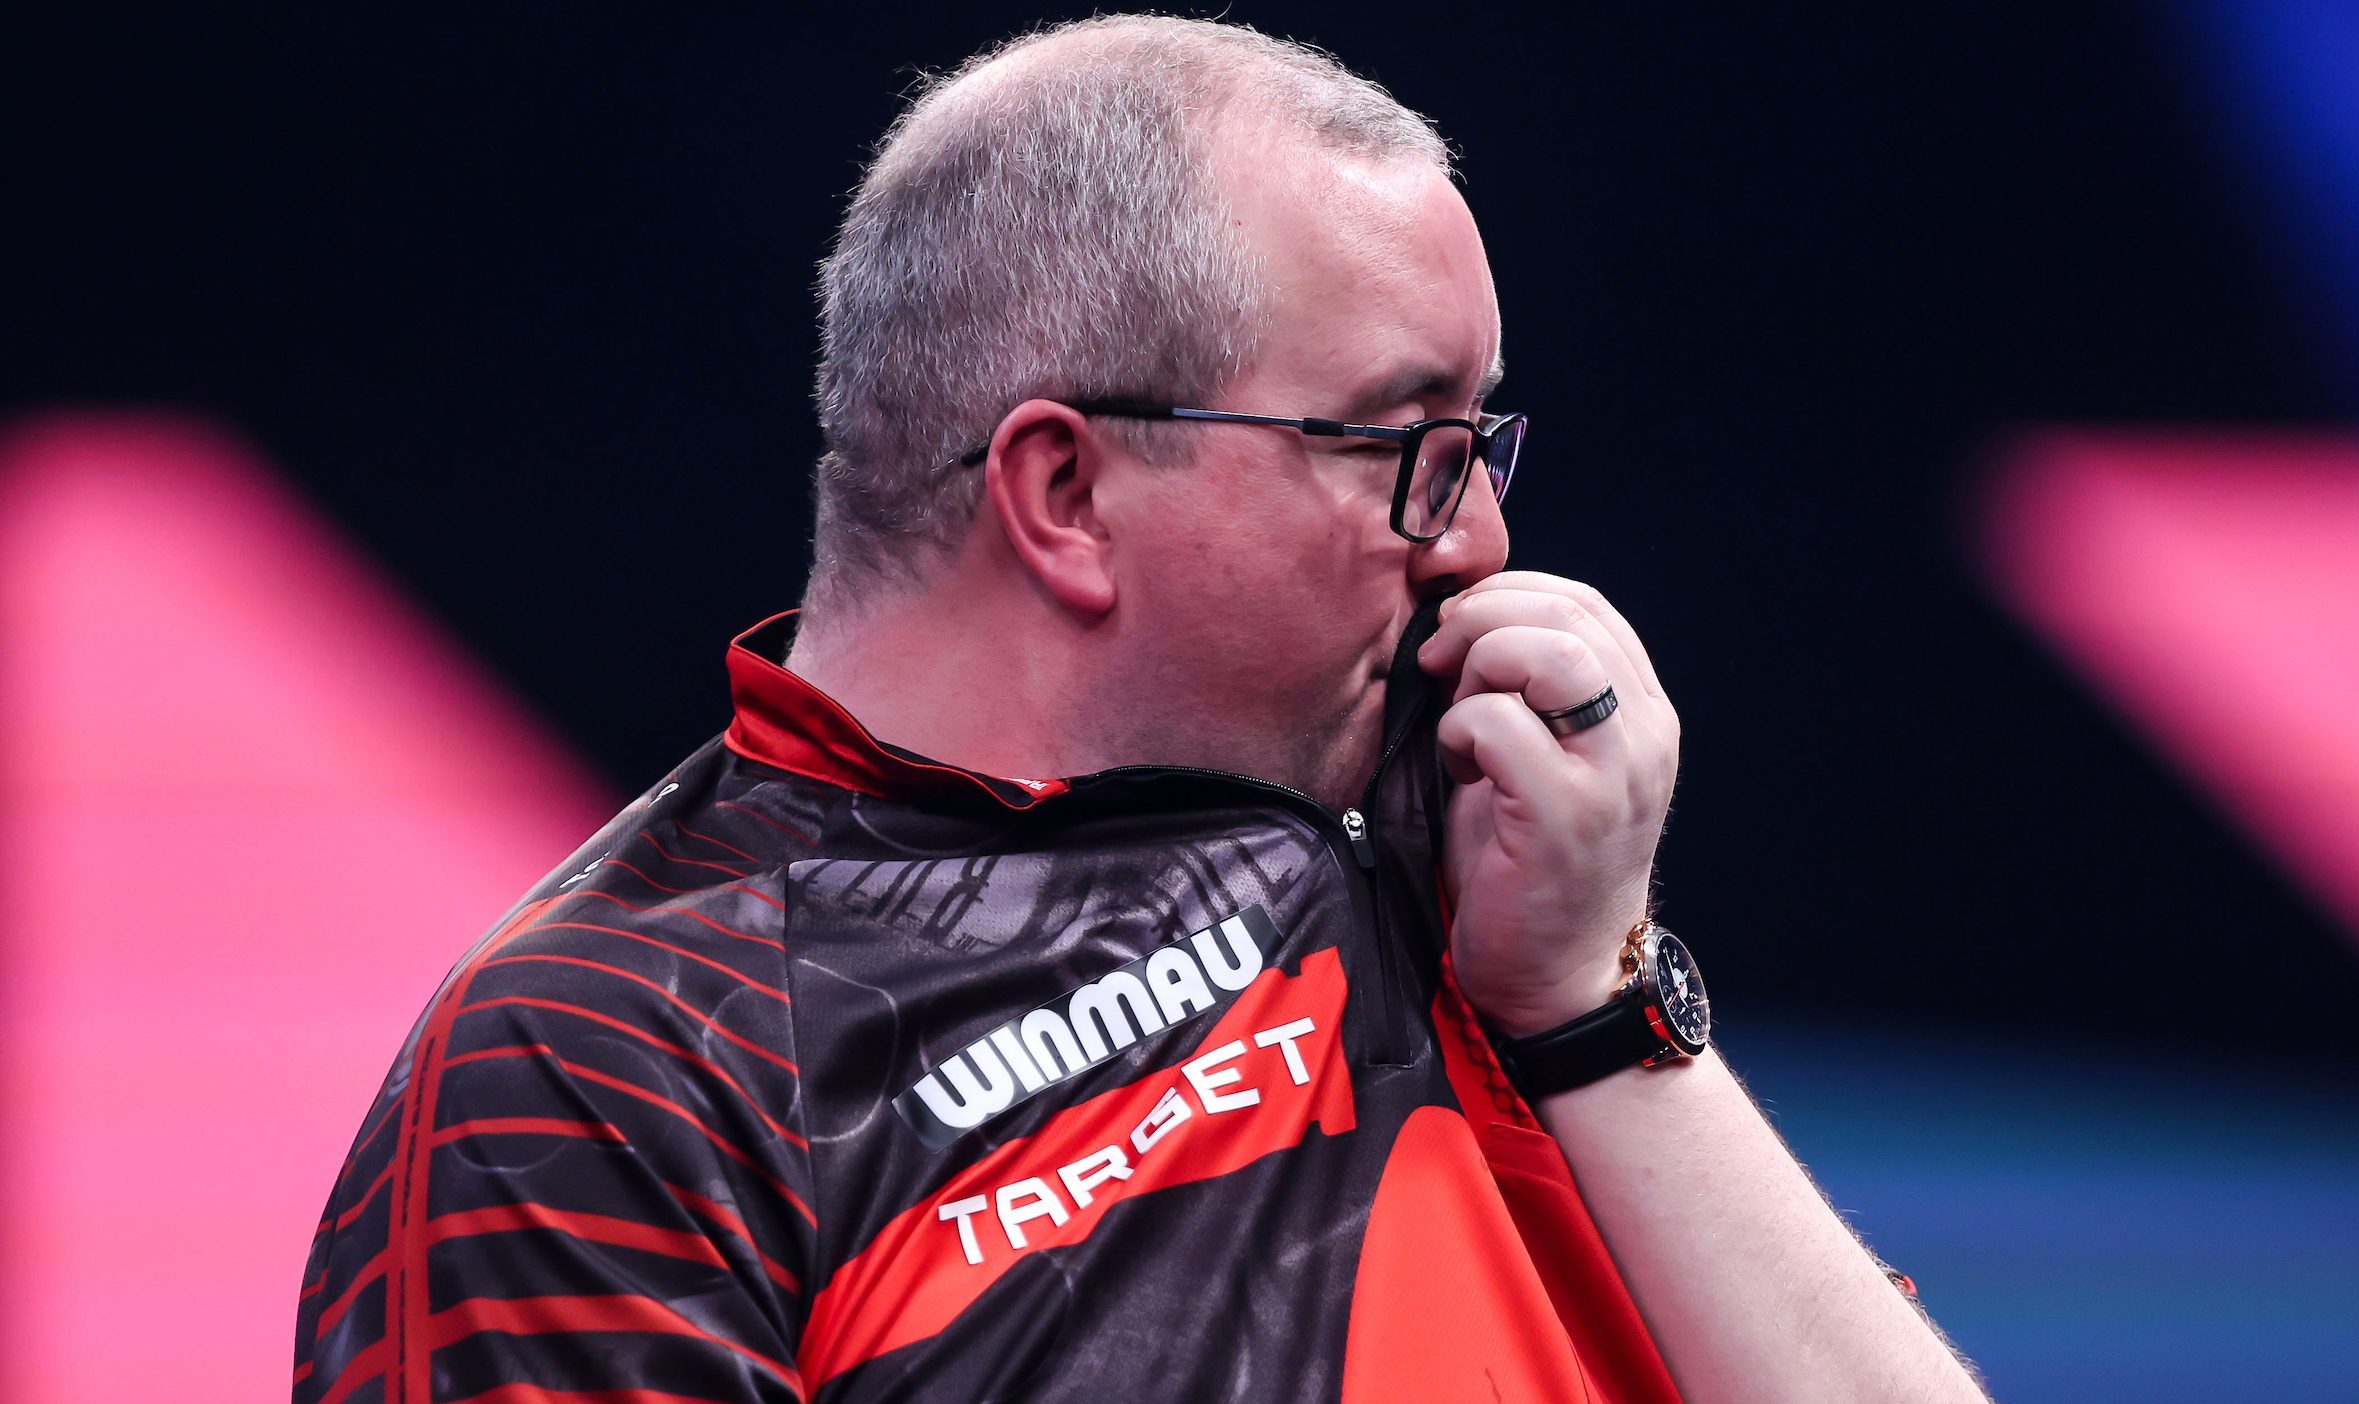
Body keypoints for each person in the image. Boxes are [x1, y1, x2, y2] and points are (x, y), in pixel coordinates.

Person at [294, 15, 1985, 1403]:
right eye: (1407, 446)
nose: (1477, 540)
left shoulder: (1466, 864)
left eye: (1481, 445)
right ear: (1069, 493)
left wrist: (1593, 1006)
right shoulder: (615, 1055)